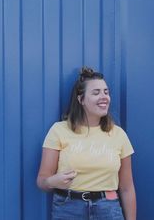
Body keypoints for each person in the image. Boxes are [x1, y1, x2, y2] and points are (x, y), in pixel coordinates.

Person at [36, 67, 136, 220]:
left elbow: (127, 188)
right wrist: (52, 181)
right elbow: (42, 180)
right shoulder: (59, 130)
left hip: (108, 209)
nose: (104, 97)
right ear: (81, 99)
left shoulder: (119, 135)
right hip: (68, 209)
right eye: (96, 93)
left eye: (106, 92)